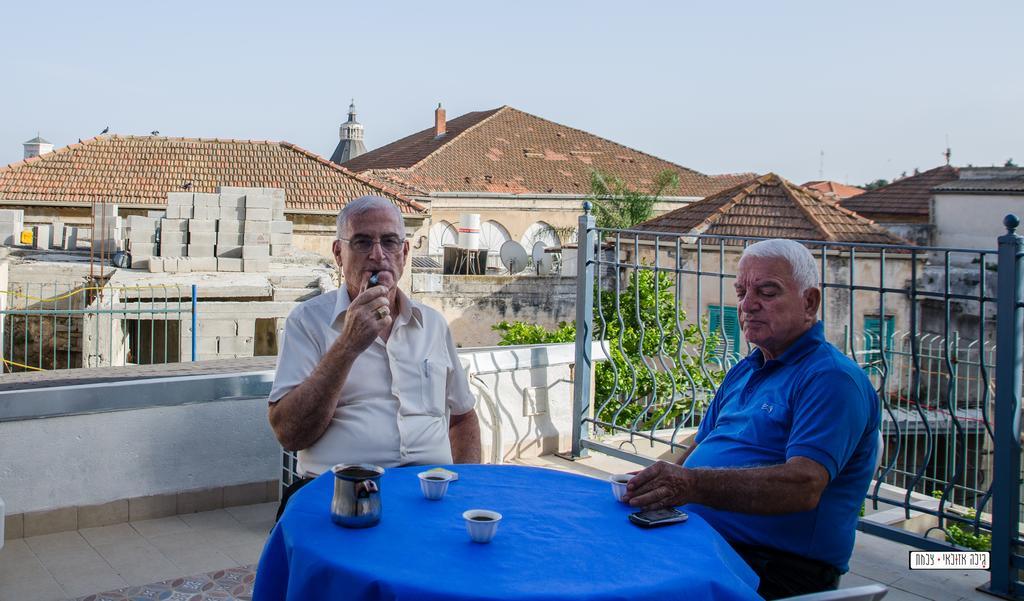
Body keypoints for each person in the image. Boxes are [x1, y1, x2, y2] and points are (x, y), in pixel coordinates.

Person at [622, 239, 880, 600]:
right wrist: (653, 484)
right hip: (695, 536)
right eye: (742, 292)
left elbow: (802, 486)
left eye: (767, 292)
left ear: (810, 302)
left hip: (772, 567)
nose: (747, 305)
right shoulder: (746, 369)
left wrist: (690, 486)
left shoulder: (831, 379)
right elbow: (699, 445)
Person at [268, 195, 481, 517]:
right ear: (339, 253)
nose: (378, 255)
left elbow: (463, 417)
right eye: (362, 242)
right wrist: (348, 345)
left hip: (428, 494)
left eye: (390, 242)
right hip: (338, 492)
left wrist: (465, 488)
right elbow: (290, 434)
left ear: (405, 253)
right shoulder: (308, 321)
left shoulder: (433, 324)